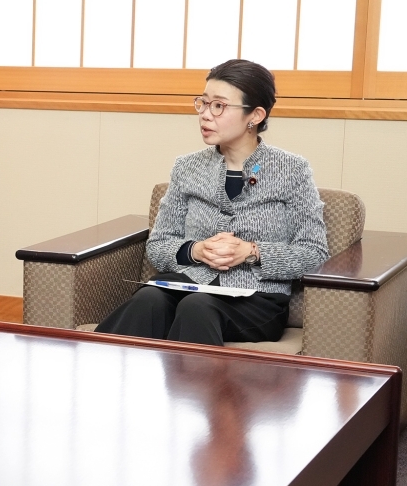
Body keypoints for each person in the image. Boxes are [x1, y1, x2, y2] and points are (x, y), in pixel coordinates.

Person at [95, 59, 329, 346]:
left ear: (255, 115)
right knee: (149, 299)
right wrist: (197, 250)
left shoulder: (292, 170)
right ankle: (92, 366)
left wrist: (251, 252)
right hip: (189, 282)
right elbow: (158, 245)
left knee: (197, 307)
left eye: (218, 106)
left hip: (256, 299)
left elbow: (314, 253)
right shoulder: (187, 167)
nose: (205, 115)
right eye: (203, 103)